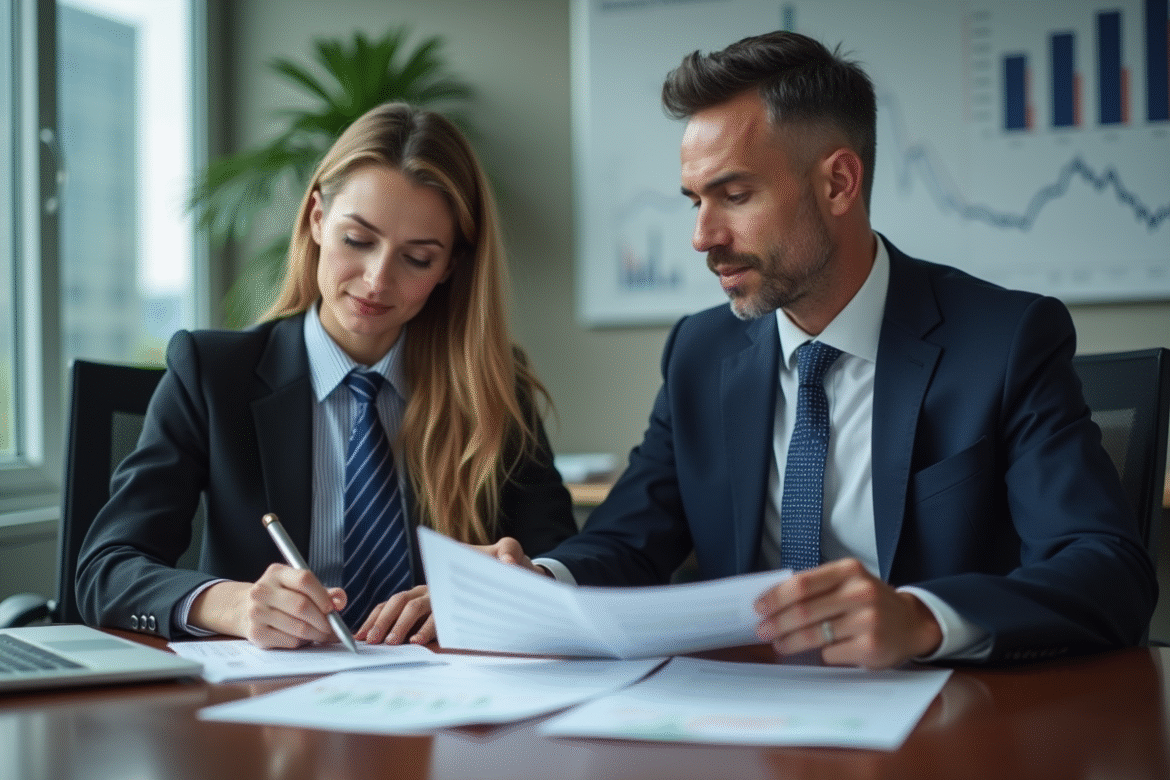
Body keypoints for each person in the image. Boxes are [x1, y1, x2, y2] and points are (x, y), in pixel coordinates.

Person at [491, 31, 1157, 669]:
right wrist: (540, 579)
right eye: (695, 201)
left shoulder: (1004, 342)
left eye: (735, 195)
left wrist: (923, 618)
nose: (702, 236)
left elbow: (1107, 570)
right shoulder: (701, 350)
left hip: (944, 724)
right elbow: (628, 541)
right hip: (746, 721)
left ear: (838, 183)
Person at [76, 102, 577, 649]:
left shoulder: (491, 384)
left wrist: (509, 579)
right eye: (357, 241)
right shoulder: (213, 373)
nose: (377, 280)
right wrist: (235, 605)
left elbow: (561, 560)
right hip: (264, 703)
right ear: (317, 219)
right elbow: (107, 570)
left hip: (441, 698)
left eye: (417, 258)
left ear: (450, 267)